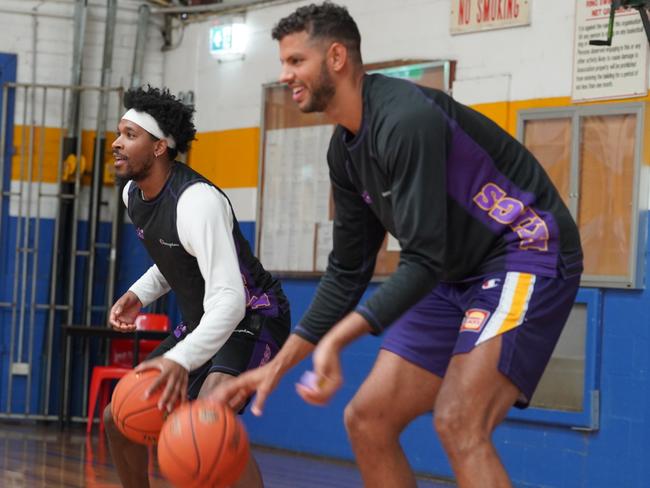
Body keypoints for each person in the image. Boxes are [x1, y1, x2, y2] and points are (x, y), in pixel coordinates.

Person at [214, 3, 583, 488]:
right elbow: (348, 271)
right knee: (367, 419)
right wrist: (276, 369)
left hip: (525, 250)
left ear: (338, 57)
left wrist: (339, 341)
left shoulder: (406, 120)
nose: (286, 75)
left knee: (458, 420)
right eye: (284, 64)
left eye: (296, 61)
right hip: (453, 272)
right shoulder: (343, 152)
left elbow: (423, 258)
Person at [105, 85, 290, 488]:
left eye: (130, 135)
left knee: (210, 414)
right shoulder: (133, 195)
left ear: (159, 147)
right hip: (207, 318)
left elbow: (230, 298)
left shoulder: (197, 201)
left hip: (253, 314)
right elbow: (177, 257)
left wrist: (181, 358)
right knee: (117, 418)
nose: (116, 143)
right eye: (118, 132)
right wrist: (140, 292)